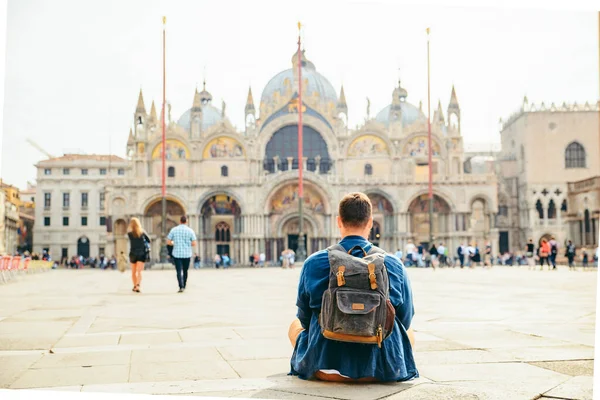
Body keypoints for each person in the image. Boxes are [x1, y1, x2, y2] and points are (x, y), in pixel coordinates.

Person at [289, 192, 417, 382]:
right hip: (383, 370)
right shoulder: (393, 263)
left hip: (324, 369)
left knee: (294, 326)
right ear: (371, 222)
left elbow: (305, 319)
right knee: (409, 332)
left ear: (339, 221)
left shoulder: (313, 263)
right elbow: (405, 319)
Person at [167, 216, 197, 293]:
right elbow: (194, 243)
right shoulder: (190, 231)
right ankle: (184, 284)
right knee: (185, 271)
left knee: (178, 271)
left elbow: (168, 242)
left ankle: (181, 286)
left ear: (180, 221)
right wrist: (187, 243)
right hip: (187, 254)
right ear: (186, 222)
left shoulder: (174, 230)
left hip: (177, 254)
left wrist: (175, 243)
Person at [127, 217, 150, 293]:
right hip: (141, 253)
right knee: (139, 272)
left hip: (133, 253)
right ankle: (138, 286)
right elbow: (148, 240)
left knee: (133, 272)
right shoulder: (142, 232)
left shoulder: (129, 233)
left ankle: (134, 286)